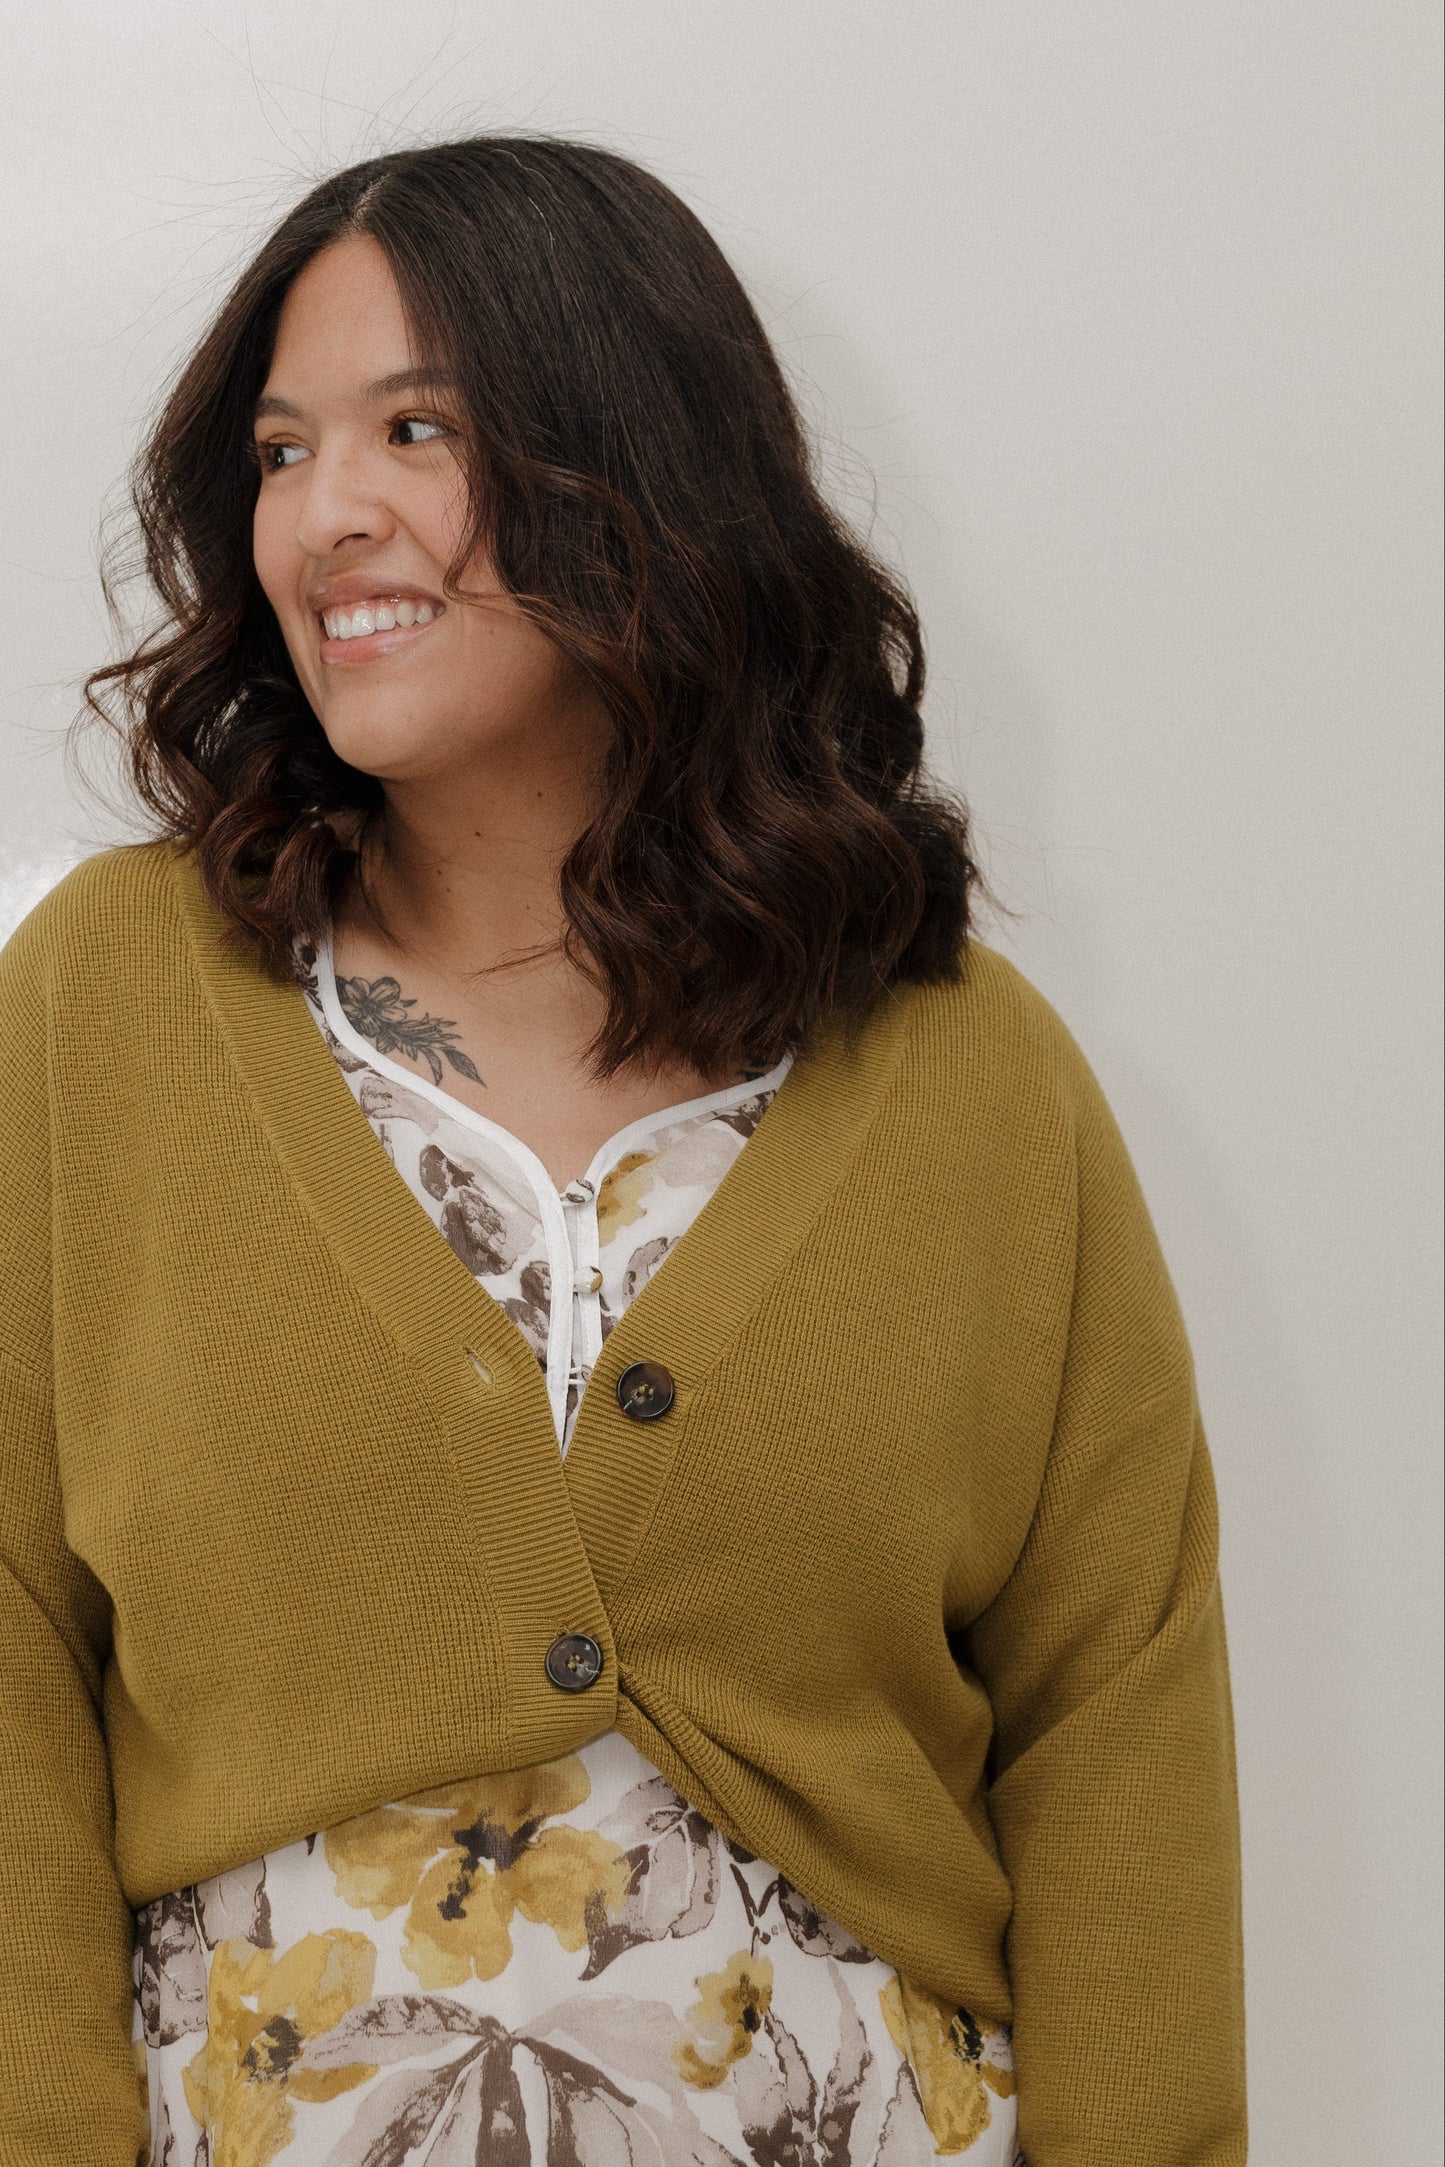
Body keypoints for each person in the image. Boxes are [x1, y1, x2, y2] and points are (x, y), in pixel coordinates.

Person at [0, 137, 1246, 2167]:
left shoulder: (969, 1077)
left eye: (421, 426)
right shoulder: (104, 1012)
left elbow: (1122, 1724)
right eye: (286, 447)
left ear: (641, 475)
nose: (330, 513)